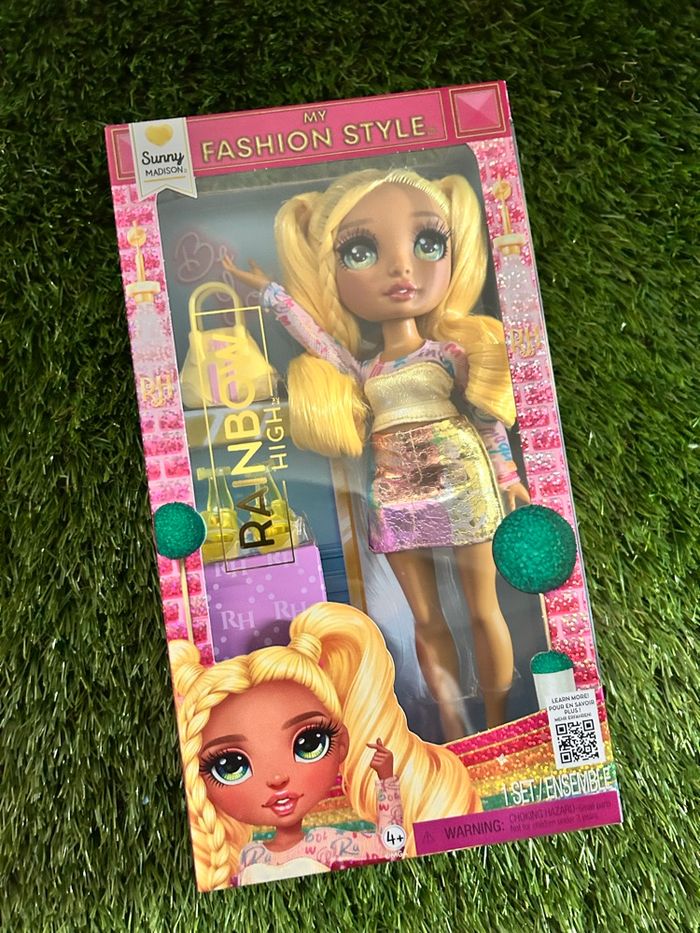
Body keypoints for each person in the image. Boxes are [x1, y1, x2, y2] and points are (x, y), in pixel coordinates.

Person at [223, 169, 530, 738]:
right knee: (426, 619)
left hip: (462, 480)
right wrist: (268, 292)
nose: (401, 270)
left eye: (428, 244)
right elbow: (319, 341)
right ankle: (454, 728)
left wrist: (508, 475)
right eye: (361, 251)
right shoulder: (364, 368)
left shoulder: (450, 353)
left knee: (483, 609)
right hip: (395, 491)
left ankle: (497, 724)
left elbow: (485, 418)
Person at [171, 601, 479, 890]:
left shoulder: (330, 844)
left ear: (342, 742)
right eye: (230, 766)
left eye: (309, 743)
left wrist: (387, 781)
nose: (277, 778)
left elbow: (393, 847)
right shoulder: (249, 855)